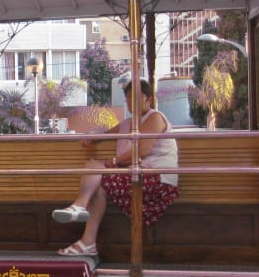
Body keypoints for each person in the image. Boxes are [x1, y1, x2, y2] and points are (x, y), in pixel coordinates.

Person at [51, 78, 179, 257]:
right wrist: (91, 136)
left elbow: (142, 150)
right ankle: (87, 242)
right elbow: (106, 134)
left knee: (97, 171)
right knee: (96, 177)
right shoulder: (128, 123)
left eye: (134, 96)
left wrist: (112, 163)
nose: (129, 101)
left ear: (148, 99)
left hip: (157, 180)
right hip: (137, 175)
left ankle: (79, 207)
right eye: (127, 97)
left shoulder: (155, 117)